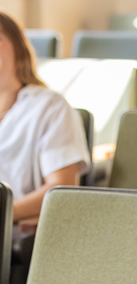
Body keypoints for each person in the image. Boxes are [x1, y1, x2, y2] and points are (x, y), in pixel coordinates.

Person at [0, 11, 90, 222]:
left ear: (18, 48)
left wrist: (6, 213)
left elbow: (60, 190)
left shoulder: (50, 107)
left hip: (13, 230)